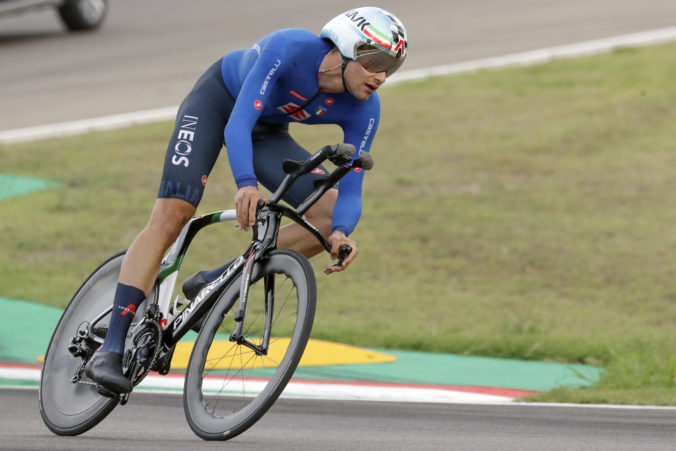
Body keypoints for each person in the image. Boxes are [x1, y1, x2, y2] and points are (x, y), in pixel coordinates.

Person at [85, 6, 408, 394]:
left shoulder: (366, 108)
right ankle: (111, 346)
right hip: (219, 103)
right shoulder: (289, 48)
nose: (380, 76)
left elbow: (353, 187)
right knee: (173, 216)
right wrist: (246, 183)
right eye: (375, 61)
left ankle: (216, 283)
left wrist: (340, 232)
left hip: (268, 132)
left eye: (391, 67)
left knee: (325, 214)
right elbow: (238, 122)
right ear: (342, 47)